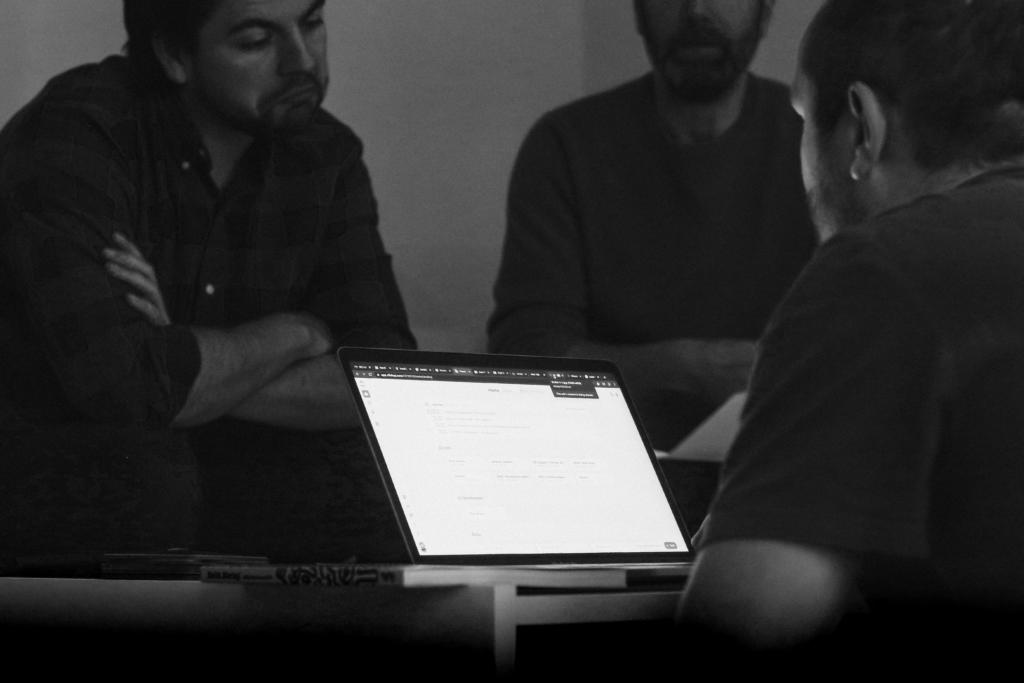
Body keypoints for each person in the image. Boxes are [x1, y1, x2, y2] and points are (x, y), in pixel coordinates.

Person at [0, 0, 414, 570]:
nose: (302, 61)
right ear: (174, 55)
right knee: (149, 477)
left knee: (386, 486)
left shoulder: (324, 151)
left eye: (311, 23)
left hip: (221, 458)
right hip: (64, 452)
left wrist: (178, 356)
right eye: (254, 40)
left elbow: (387, 381)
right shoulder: (82, 129)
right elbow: (122, 389)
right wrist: (297, 333)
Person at [676, 0, 1024, 665]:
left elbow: (749, 619)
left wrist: (758, 522)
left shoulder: (880, 272)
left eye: (803, 122)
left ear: (862, 127)